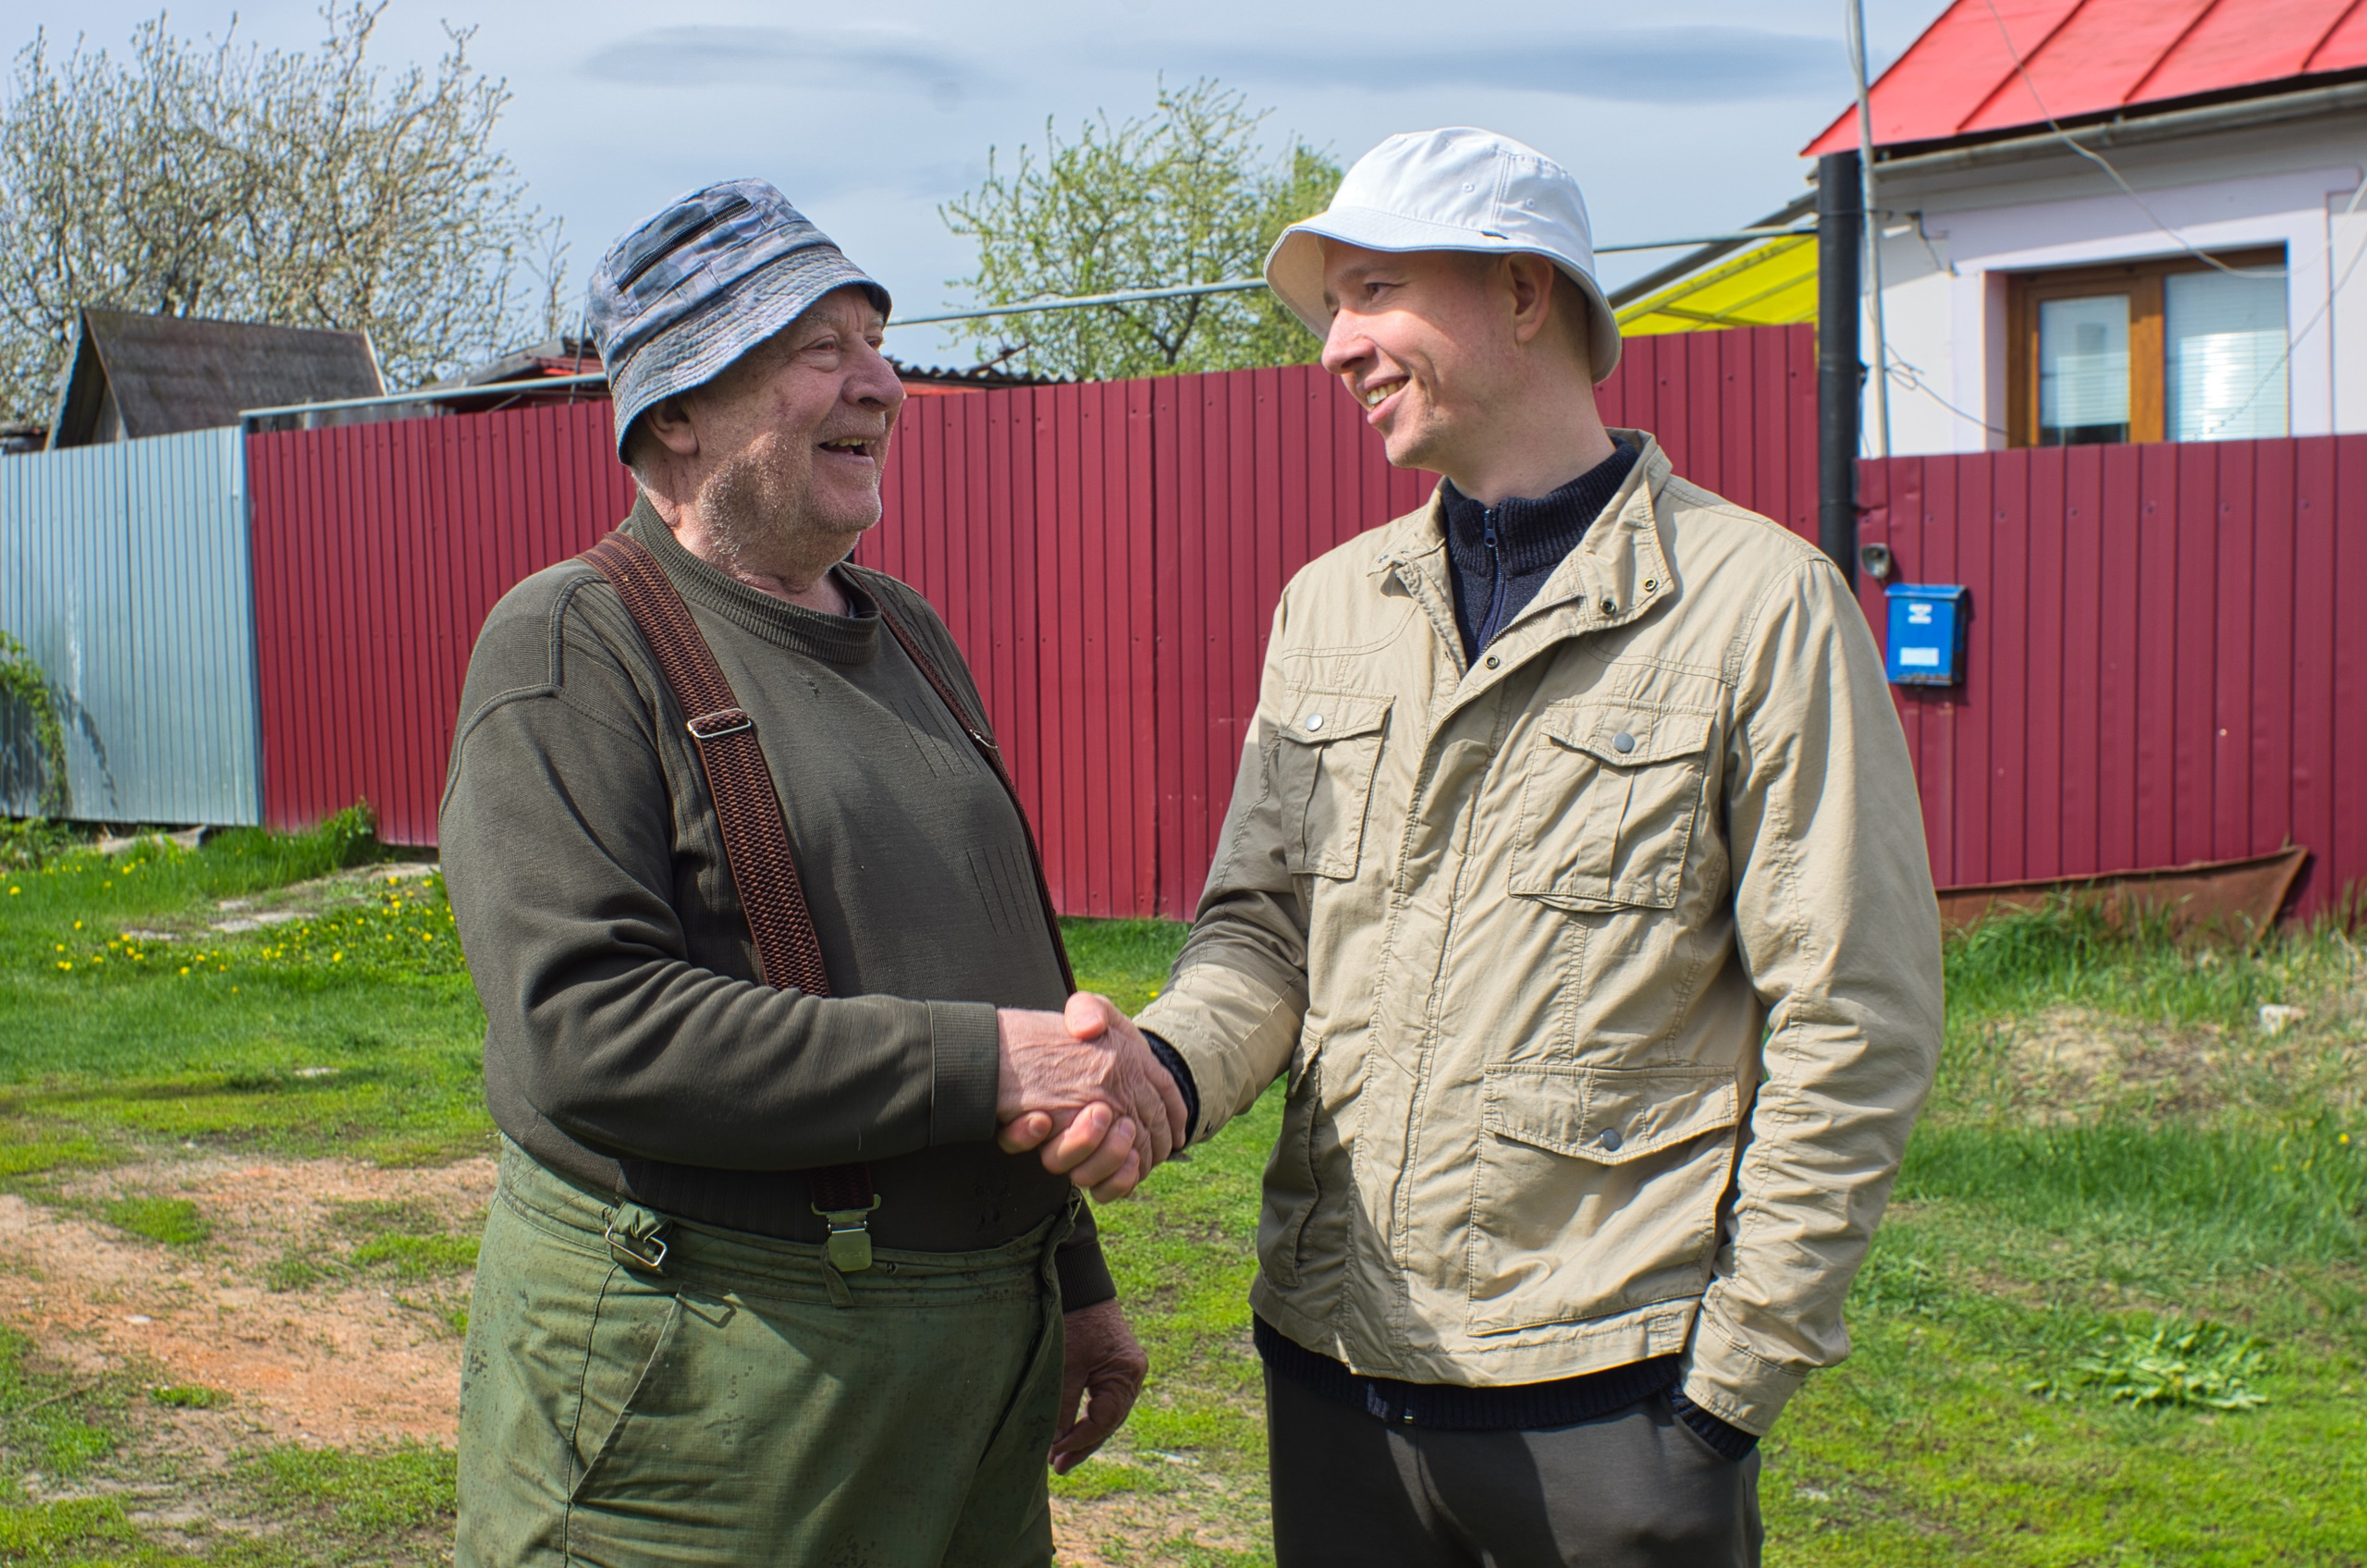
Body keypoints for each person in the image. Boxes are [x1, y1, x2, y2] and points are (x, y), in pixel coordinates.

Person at [1110, 128, 1944, 1566]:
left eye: (1374, 292)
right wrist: (1161, 1072)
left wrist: (1727, 1387)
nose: (1337, 347)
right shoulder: (1329, 609)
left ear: (1520, 291)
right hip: (1332, 1374)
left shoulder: (1758, 606)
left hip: (1610, 1411)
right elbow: (1261, 933)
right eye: (1332, 309)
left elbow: (1854, 1013)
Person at [442, 178, 1188, 1568]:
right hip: (713, 1398)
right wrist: (994, 1065)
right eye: (820, 349)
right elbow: (589, 1031)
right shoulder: (573, 644)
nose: (882, 385)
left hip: (970, 1375)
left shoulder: (905, 629)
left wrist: (1068, 1273)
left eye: (878, 344)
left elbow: (993, 958)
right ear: (678, 409)